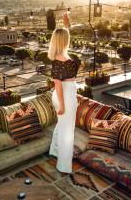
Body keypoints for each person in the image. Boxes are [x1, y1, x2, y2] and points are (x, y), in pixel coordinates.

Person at [47, 12, 79, 173]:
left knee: (62, 126)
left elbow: (65, 35)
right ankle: (64, 166)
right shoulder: (59, 61)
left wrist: (66, 23)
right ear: (63, 41)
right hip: (64, 96)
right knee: (67, 132)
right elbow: (57, 84)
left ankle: (54, 150)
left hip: (66, 94)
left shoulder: (62, 55)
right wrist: (62, 105)